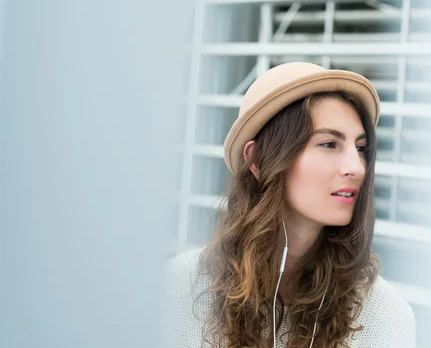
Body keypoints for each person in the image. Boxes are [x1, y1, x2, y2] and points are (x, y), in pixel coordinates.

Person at [166, 62, 416, 348]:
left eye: (360, 148)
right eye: (329, 144)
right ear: (257, 160)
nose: (356, 167)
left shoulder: (385, 315)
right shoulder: (178, 288)